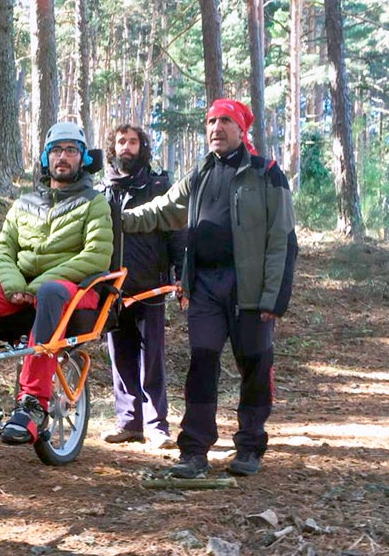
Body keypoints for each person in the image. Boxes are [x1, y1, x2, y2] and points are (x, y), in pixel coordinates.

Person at [122, 99, 297, 478]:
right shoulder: (200, 172)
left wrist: (274, 298)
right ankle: (195, 450)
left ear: (241, 129)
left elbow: (282, 237)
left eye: (224, 121)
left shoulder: (265, 173)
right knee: (202, 364)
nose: (216, 128)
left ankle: (249, 445)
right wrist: (116, 218)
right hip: (204, 288)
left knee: (254, 364)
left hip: (249, 291)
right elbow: (163, 209)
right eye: (211, 121)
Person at [0, 121, 113, 446]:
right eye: (55, 151)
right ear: (45, 159)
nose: (62, 157)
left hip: (73, 293)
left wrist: (39, 284)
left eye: (70, 150)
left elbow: (96, 257)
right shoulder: (23, 204)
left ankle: (33, 402)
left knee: (51, 292)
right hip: (22, 292)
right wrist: (13, 287)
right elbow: (3, 253)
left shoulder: (95, 203)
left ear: (82, 158)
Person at [96, 124, 185, 449]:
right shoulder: (102, 191)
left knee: (152, 359)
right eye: (121, 142)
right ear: (113, 148)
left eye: (133, 142)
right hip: (112, 289)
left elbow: (177, 232)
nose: (127, 147)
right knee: (120, 356)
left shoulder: (159, 186)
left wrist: (180, 273)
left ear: (142, 147)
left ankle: (156, 425)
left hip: (150, 286)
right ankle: (128, 422)